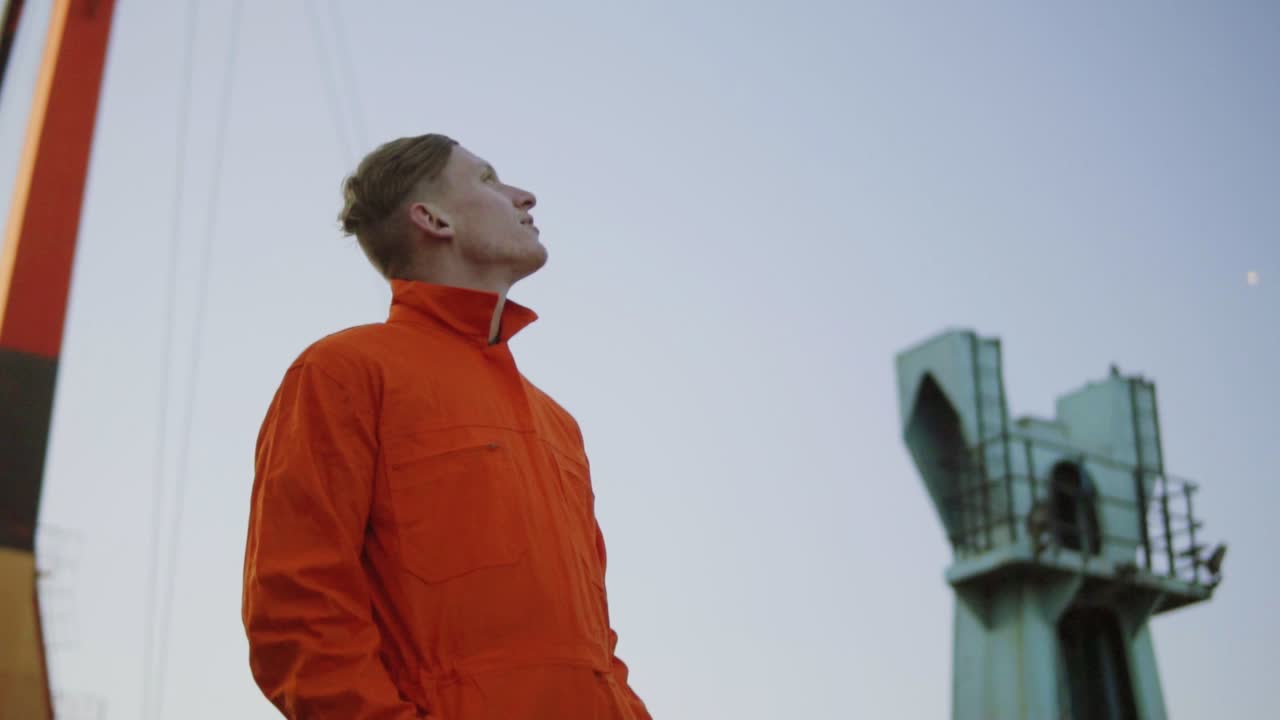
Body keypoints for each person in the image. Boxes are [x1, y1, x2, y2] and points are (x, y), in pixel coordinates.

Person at [242, 134, 651, 720]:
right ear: (431, 218)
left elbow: (597, 646)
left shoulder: (559, 425)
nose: (524, 196)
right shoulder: (342, 373)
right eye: (488, 179)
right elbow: (297, 614)